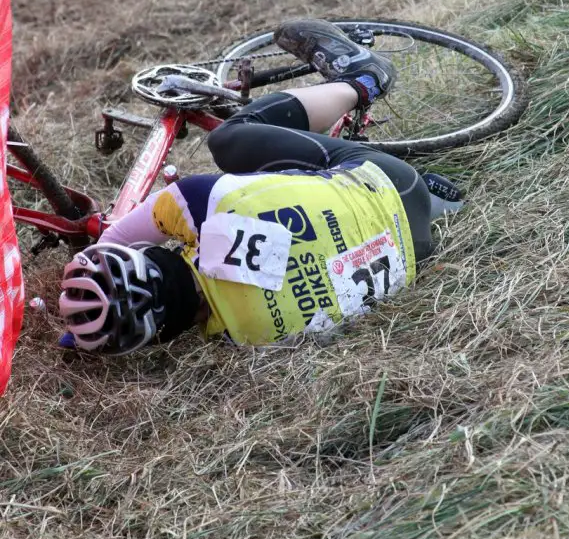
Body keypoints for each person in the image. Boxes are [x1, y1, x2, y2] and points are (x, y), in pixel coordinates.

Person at [59, 19, 463, 355]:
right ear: (146, 256)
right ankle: (363, 79)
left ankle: (435, 200)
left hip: (416, 249)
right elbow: (117, 236)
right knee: (230, 138)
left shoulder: (246, 340)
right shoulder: (200, 205)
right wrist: (94, 259)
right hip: (391, 180)